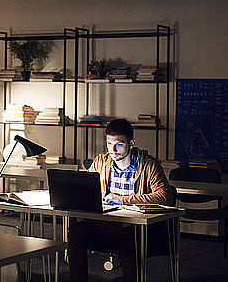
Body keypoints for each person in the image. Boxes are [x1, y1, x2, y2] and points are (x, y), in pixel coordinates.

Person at [68, 118, 174, 282]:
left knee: (128, 237)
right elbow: (87, 188)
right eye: (109, 144)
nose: (113, 150)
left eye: (119, 144)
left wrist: (123, 200)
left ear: (131, 143)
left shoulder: (148, 165)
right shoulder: (101, 162)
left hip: (135, 227)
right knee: (76, 232)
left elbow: (165, 196)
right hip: (107, 222)